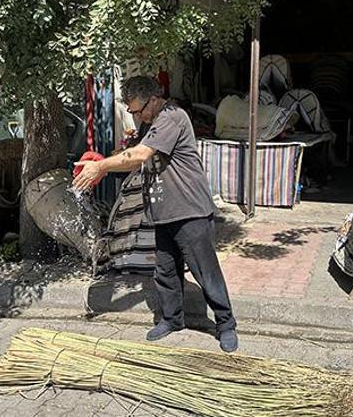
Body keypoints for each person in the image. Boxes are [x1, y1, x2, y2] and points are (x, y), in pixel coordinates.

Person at [72, 76, 238, 352]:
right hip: (163, 212)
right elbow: (132, 160)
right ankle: (173, 320)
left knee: (205, 272)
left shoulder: (172, 117)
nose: (136, 116)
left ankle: (226, 324)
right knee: (166, 272)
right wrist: (102, 163)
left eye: (138, 110)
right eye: (132, 112)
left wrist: (101, 168)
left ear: (154, 99)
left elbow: (140, 155)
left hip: (189, 210)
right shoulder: (149, 125)